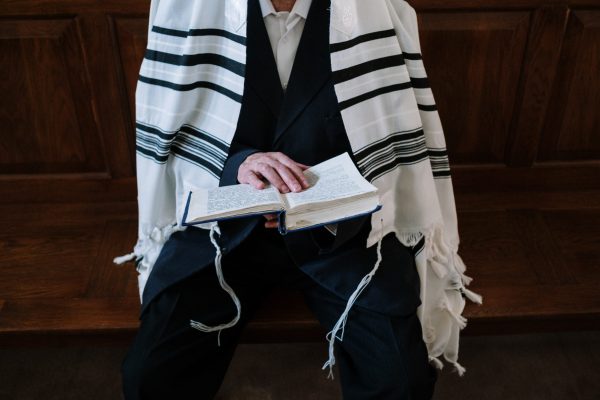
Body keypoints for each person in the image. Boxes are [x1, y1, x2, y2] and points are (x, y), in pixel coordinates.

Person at [117, 0, 482, 398]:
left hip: (342, 236)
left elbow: (385, 148)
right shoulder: (190, 10)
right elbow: (183, 141)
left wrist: (325, 193)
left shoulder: (371, 11)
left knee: (400, 378)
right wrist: (240, 165)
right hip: (226, 235)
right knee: (149, 375)